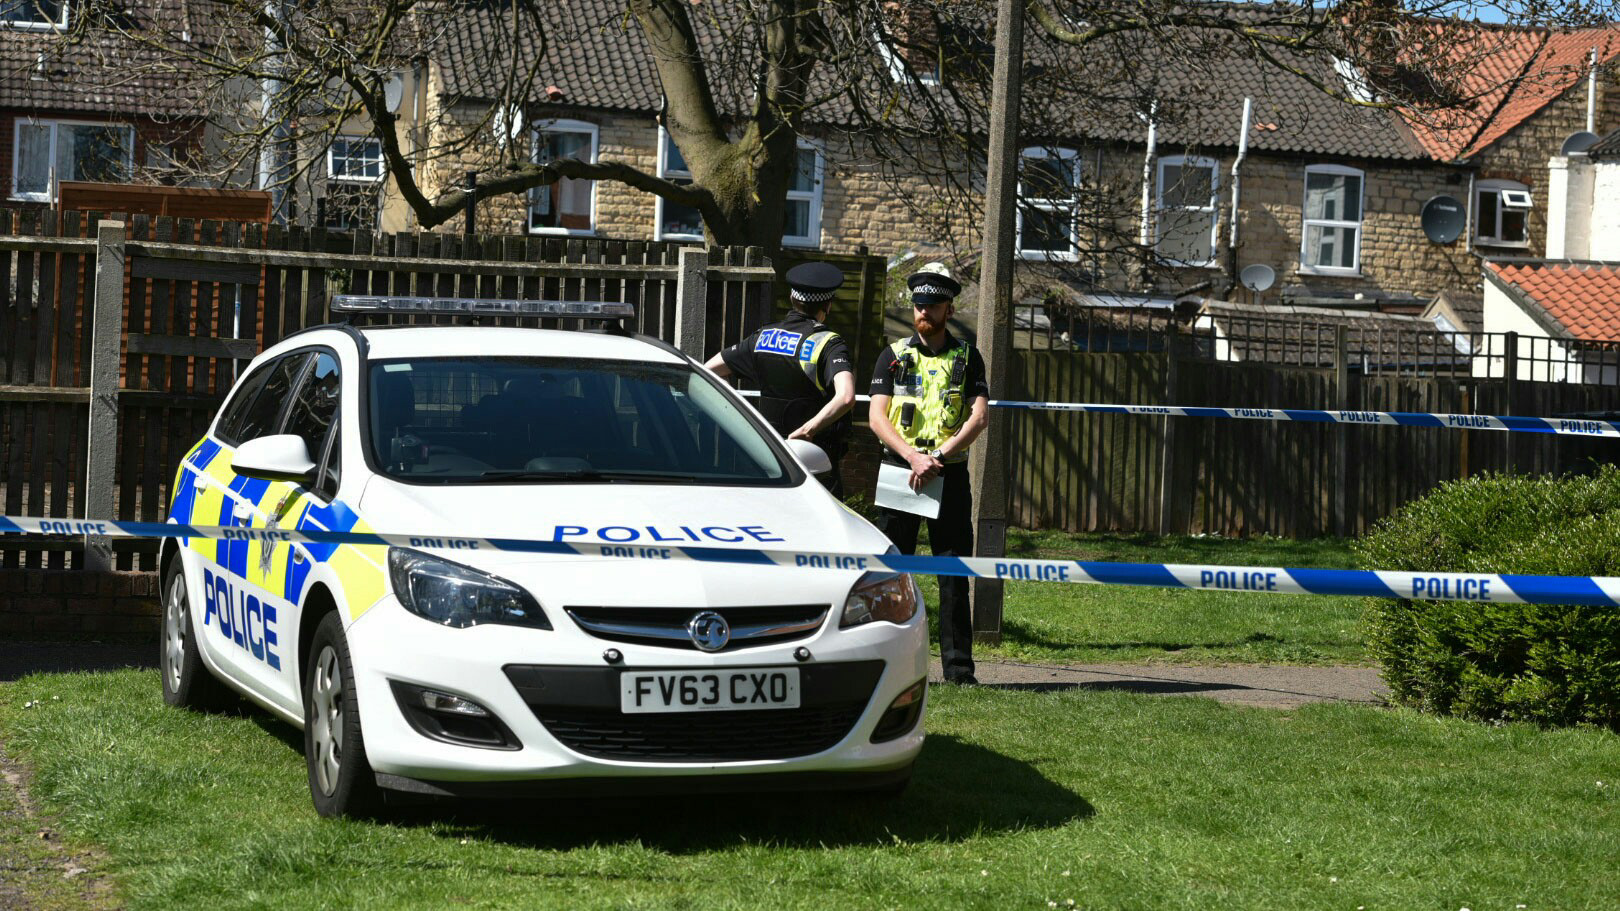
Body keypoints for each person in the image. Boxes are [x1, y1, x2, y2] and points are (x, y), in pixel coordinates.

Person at [867, 264, 990, 685]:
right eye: (919, 304)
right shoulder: (893, 354)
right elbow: (876, 416)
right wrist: (912, 457)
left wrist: (936, 455)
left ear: (949, 308)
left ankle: (959, 672)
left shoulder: (968, 356)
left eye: (933, 305)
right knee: (889, 575)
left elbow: (978, 417)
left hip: (948, 473)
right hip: (900, 471)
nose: (924, 312)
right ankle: (884, 663)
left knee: (953, 575)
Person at [705, 261, 857, 496]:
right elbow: (846, 397)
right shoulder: (828, 343)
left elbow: (708, 370)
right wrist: (808, 429)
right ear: (827, 304)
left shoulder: (762, 337)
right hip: (814, 462)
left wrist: (737, 416)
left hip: (766, 456)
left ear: (792, 298)